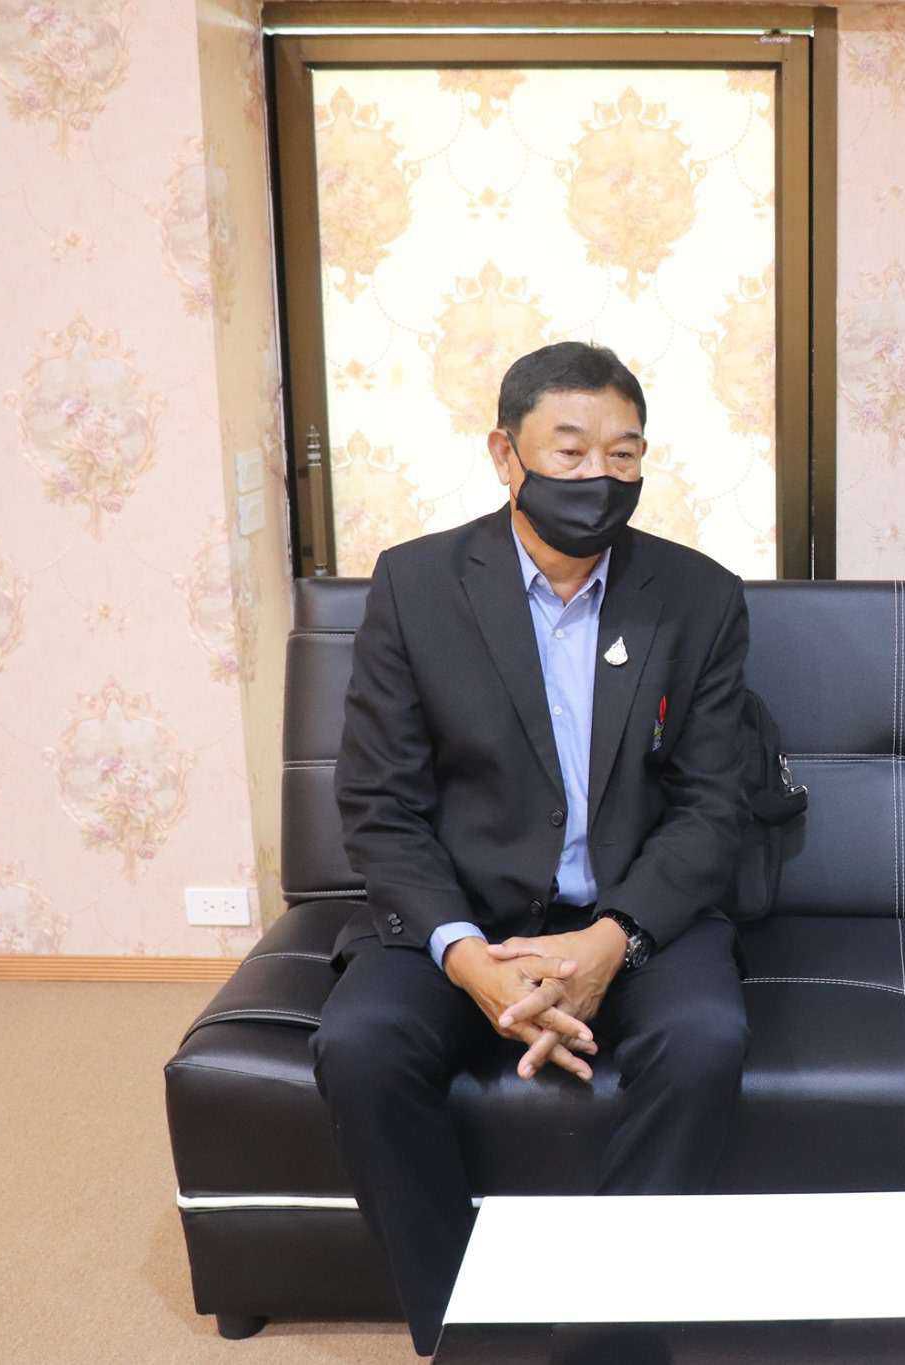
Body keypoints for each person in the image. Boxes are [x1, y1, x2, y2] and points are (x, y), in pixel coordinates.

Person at [311, 341, 752, 1356]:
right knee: (361, 1047)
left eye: (623, 454)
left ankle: (607, 1340)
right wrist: (470, 959)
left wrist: (609, 941)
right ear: (505, 454)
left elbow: (711, 807)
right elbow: (379, 804)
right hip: (463, 907)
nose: (600, 475)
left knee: (705, 1041)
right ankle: (474, 1335)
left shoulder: (697, 597)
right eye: (571, 450)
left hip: (630, 907)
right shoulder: (417, 585)